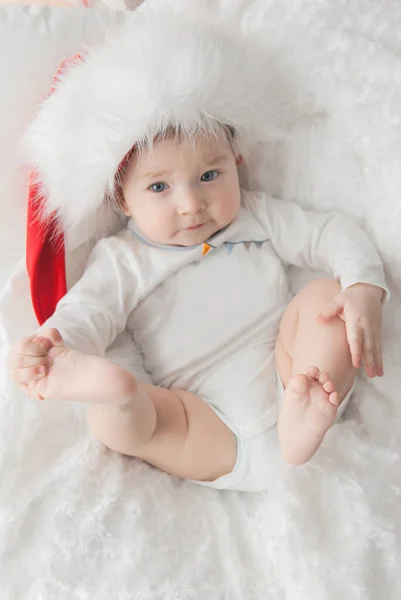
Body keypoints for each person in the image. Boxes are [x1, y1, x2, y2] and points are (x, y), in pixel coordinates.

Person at [7, 9, 388, 492]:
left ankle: (305, 414)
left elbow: (330, 232)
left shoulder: (255, 215)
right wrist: (53, 347)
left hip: (289, 373)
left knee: (323, 299)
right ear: (122, 199)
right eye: (160, 187)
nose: (191, 204)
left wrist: (361, 286)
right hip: (206, 422)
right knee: (134, 419)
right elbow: (87, 312)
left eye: (209, 176)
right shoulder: (123, 259)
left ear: (237, 160)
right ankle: (114, 397)